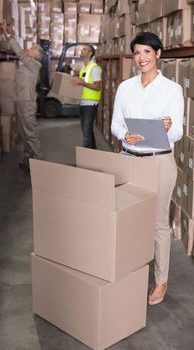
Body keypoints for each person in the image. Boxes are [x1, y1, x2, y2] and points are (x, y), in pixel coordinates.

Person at [111, 32, 184, 306]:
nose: (141, 58)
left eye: (147, 52)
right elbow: (115, 125)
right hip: (129, 158)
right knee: (128, 219)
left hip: (158, 162)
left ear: (158, 55)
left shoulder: (171, 89)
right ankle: (129, 273)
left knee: (157, 224)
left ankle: (161, 280)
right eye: (137, 53)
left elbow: (177, 132)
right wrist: (124, 135)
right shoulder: (125, 87)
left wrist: (167, 127)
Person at [1, 20, 44, 171]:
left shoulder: (34, 64)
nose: (28, 49)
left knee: (30, 132)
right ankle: (27, 158)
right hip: (20, 101)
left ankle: (38, 162)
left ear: (35, 55)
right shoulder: (27, 64)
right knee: (22, 132)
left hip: (27, 102)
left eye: (31, 49)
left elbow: (19, 52)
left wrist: (8, 35)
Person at [72, 45, 102, 149]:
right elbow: (83, 82)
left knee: (86, 133)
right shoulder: (85, 67)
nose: (81, 50)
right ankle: (93, 153)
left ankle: (86, 158)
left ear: (90, 53)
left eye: (84, 49)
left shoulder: (95, 68)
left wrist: (82, 82)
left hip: (90, 103)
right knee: (88, 131)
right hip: (83, 102)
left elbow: (97, 87)